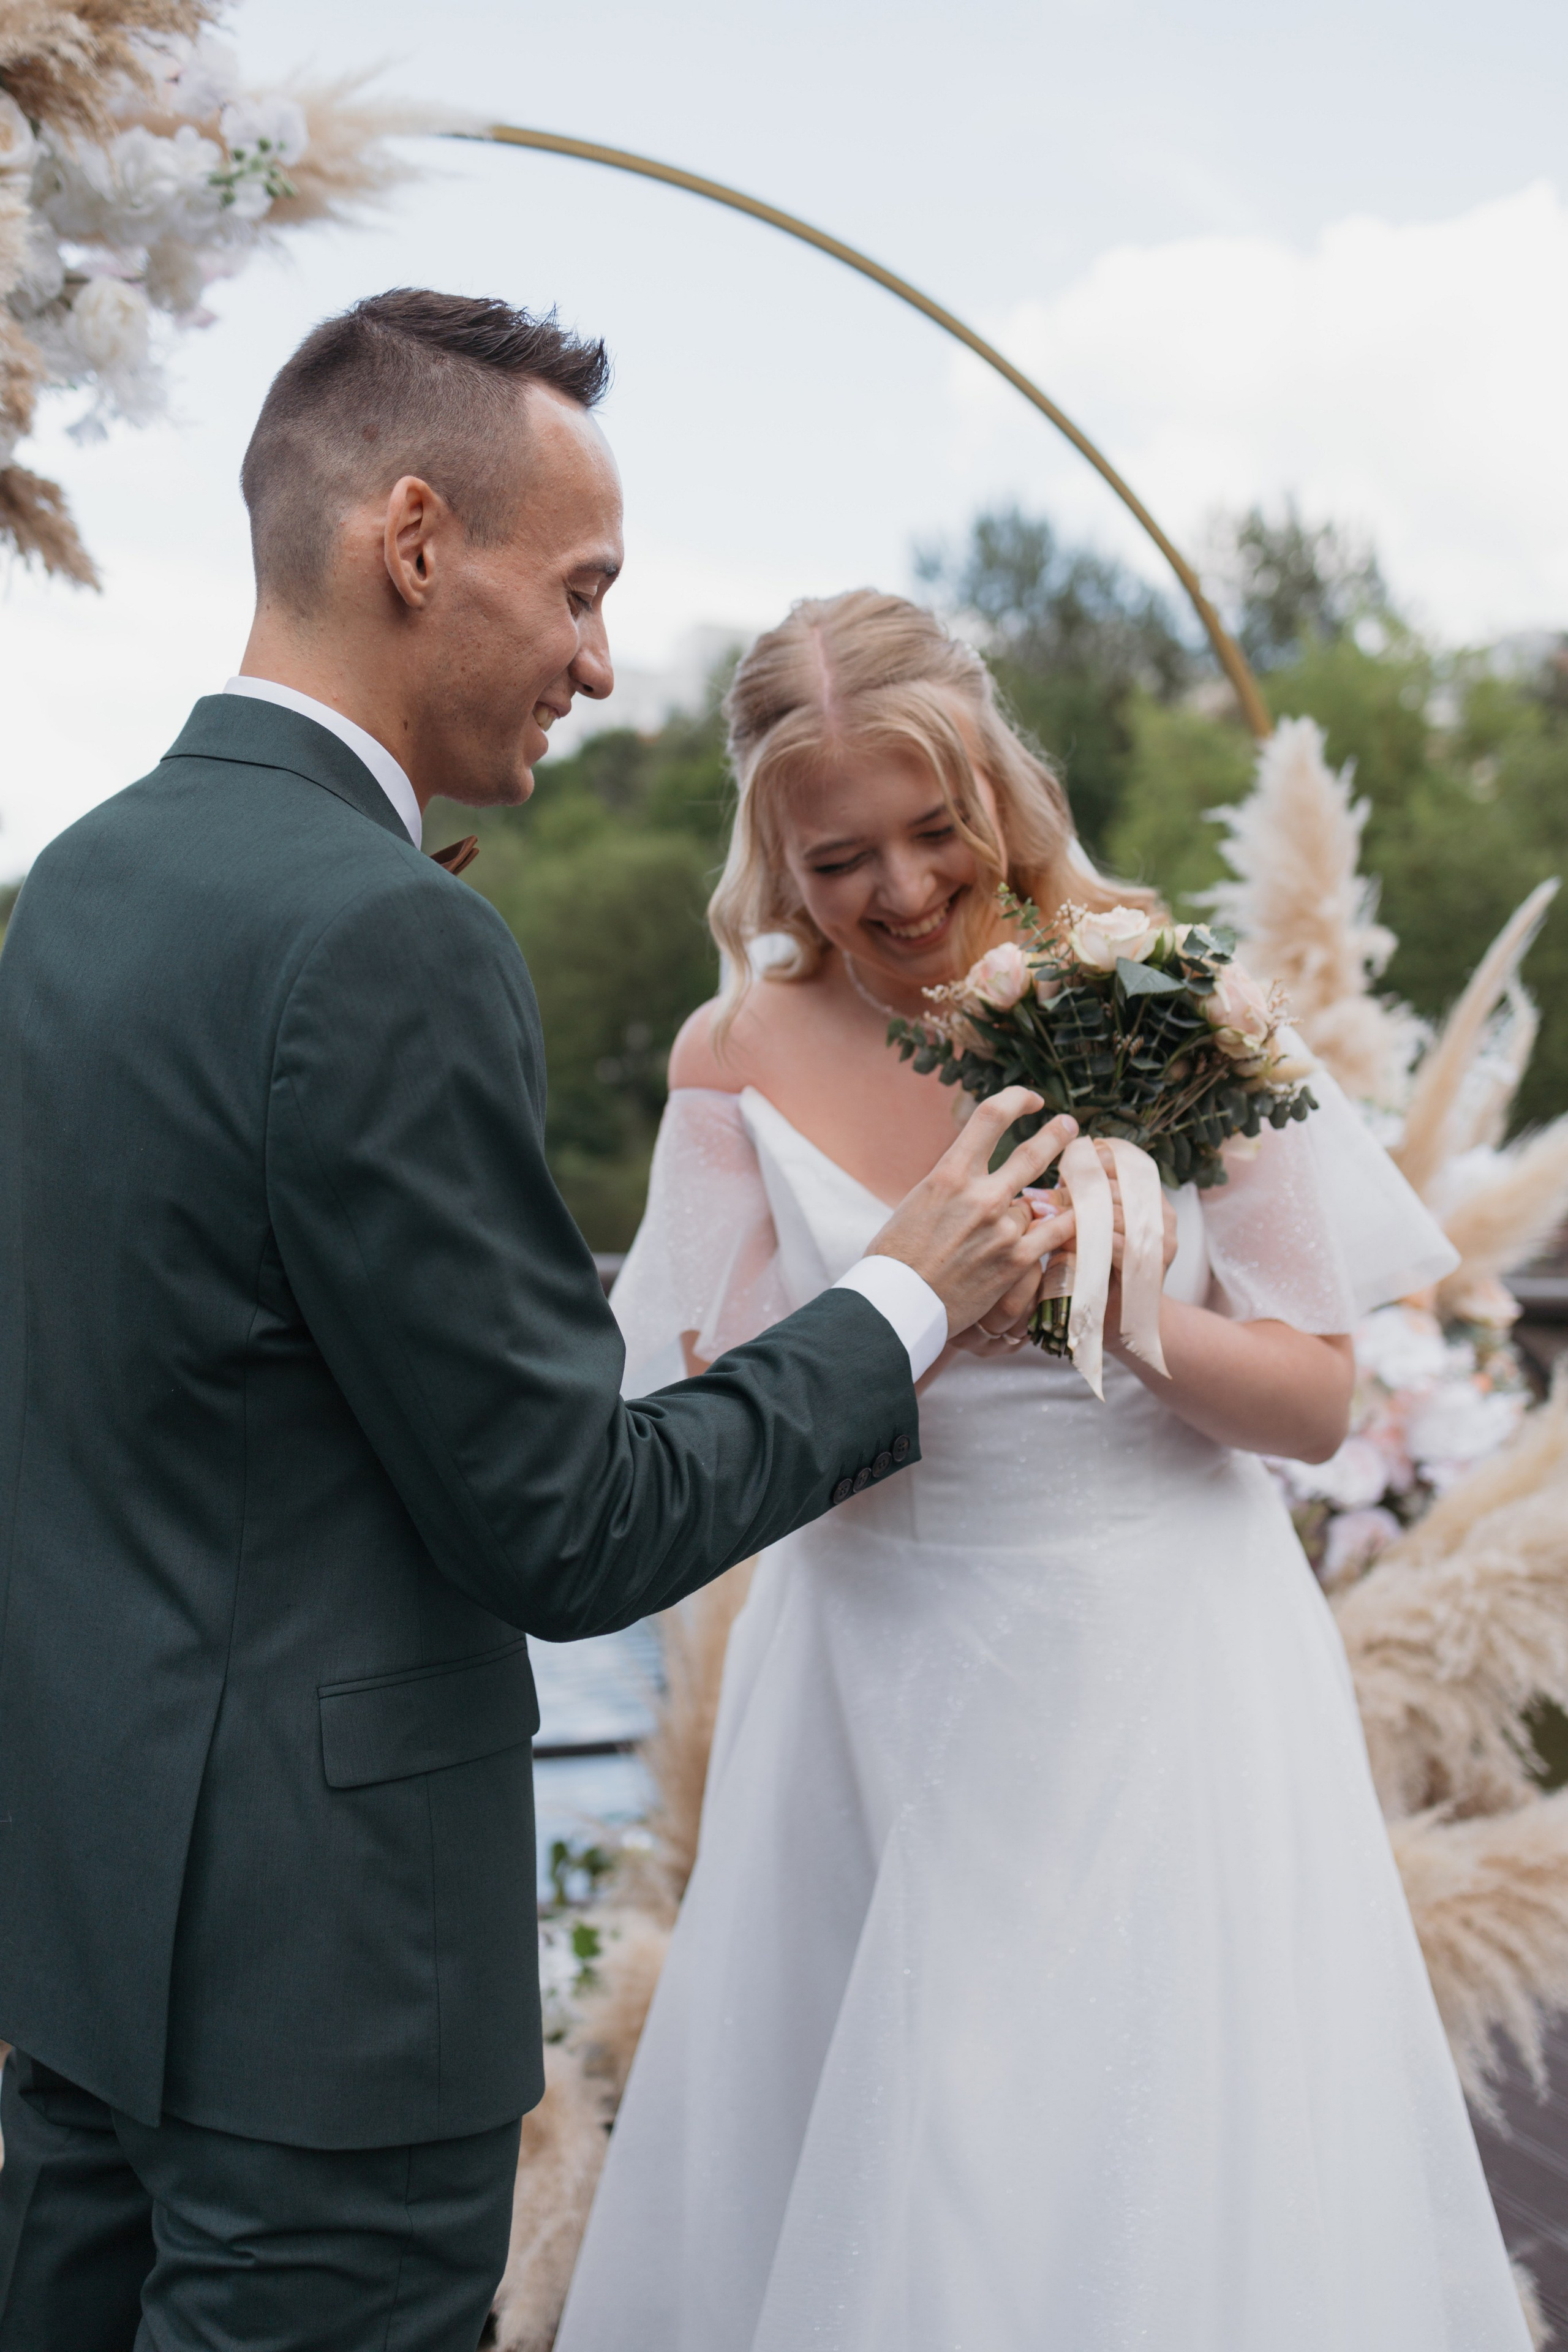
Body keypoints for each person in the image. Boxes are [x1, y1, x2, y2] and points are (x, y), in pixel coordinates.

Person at [0, 300, 1074, 2350]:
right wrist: (903, 1301)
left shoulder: (84, 882)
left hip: (86, 1949)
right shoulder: (386, 933)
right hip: (324, 2013)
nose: (599, 657)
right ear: (416, 540)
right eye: (579, 590)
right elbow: (563, 1524)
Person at [556, 589, 1532, 2351]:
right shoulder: (733, 1059)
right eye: (840, 856)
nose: (905, 892)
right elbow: (719, 1432)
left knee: (1159, 2164)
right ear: (775, 853)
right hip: (872, 1680)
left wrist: (1129, 1308)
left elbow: (1316, 1406)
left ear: (1002, 785)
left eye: (937, 831)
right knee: (898, 2170)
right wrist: (906, 1309)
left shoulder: (1168, 996)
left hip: (1165, 1676)